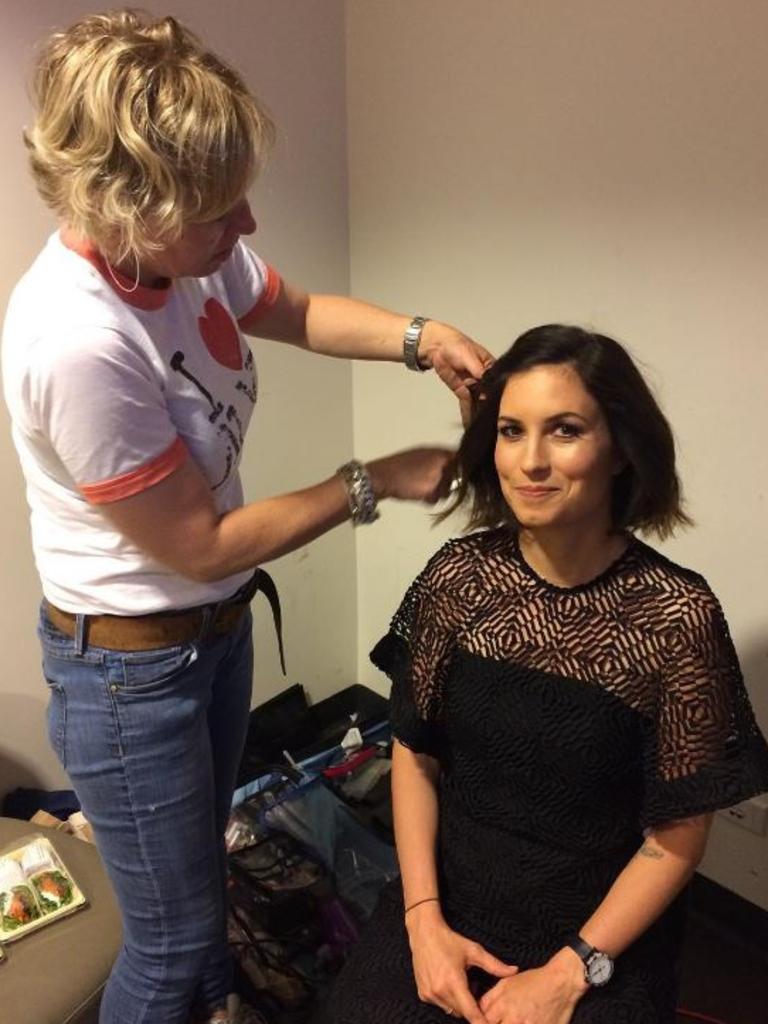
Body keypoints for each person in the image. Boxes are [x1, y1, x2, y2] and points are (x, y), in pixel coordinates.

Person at [1, 10, 495, 1024]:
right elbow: (200, 542)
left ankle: (219, 1008)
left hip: (210, 638)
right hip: (132, 676)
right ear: (127, 205)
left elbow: (295, 308)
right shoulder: (75, 344)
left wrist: (419, 335)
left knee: (205, 889)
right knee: (170, 940)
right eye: (222, 210)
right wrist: (374, 478)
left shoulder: (178, 253)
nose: (249, 226)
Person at [327, 324, 768, 1024]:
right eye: (510, 431)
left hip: (597, 928)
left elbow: (676, 838)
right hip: (450, 896)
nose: (530, 461)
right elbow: (413, 753)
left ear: (620, 448)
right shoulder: (459, 579)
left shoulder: (676, 616)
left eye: (564, 430)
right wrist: (422, 921)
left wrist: (571, 972)